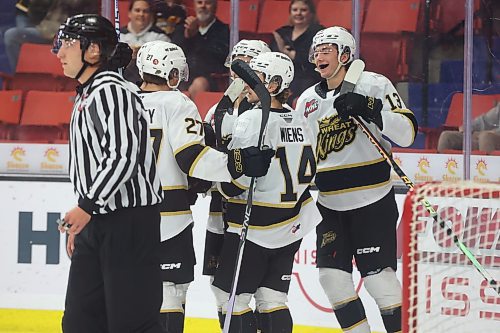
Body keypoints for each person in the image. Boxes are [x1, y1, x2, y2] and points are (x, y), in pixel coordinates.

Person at [135, 40, 275, 332]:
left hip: (129, 217)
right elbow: (192, 158)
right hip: (170, 217)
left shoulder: (125, 101)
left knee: (134, 295)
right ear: (172, 72)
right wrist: (237, 164)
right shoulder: (178, 102)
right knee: (171, 293)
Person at [295, 26, 418, 333]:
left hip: (371, 201)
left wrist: (370, 108)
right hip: (329, 205)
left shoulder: (373, 84)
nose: (319, 55)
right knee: (332, 279)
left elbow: (407, 133)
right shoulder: (308, 99)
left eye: (327, 50)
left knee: (380, 280)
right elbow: (303, 154)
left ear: (346, 55)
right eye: (317, 50)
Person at [53, 14, 166, 333]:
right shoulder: (87, 92)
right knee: (80, 321)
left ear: (92, 51)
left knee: (131, 323)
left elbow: (122, 156)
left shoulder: (112, 90)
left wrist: (87, 207)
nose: (60, 52)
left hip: (128, 223)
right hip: (99, 219)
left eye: (68, 44)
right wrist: (86, 218)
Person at [211, 52, 322, 332]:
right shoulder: (301, 121)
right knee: (272, 298)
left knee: (230, 299)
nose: (246, 85)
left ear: (272, 84)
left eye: (253, 79)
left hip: (253, 227)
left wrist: (214, 180)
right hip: (290, 226)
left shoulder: (251, 120)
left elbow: (233, 182)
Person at [201, 38, 271, 311]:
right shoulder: (217, 111)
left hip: (258, 208)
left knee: (265, 292)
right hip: (221, 209)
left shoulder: (269, 111)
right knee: (221, 290)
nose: (238, 71)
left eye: (248, 64)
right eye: (236, 63)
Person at [4, 0, 98, 71]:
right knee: (11, 34)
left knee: (11, 35)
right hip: (46, 28)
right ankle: (22, 75)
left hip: (70, 33)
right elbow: (34, 12)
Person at [271, 0, 323, 104]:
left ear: (311, 13)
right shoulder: (282, 32)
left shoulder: (319, 33)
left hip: (309, 81)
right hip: (283, 79)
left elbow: (315, 59)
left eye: (303, 10)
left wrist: (290, 54)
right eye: (295, 10)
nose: (298, 13)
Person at [182, 0, 229, 99]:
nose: (203, 6)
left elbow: (214, 58)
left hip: (211, 80)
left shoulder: (223, 30)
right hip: (184, 78)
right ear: (194, 6)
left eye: (207, 3)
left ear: (215, 6)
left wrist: (195, 36)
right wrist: (188, 35)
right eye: (199, 2)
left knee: (199, 84)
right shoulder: (184, 27)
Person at [120, 0, 170, 84]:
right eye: (137, 10)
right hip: (122, 82)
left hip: (151, 84)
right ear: (129, 13)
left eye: (145, 11)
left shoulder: (160, 37)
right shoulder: (119, 35)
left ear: (150, 15)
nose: (141, 14)